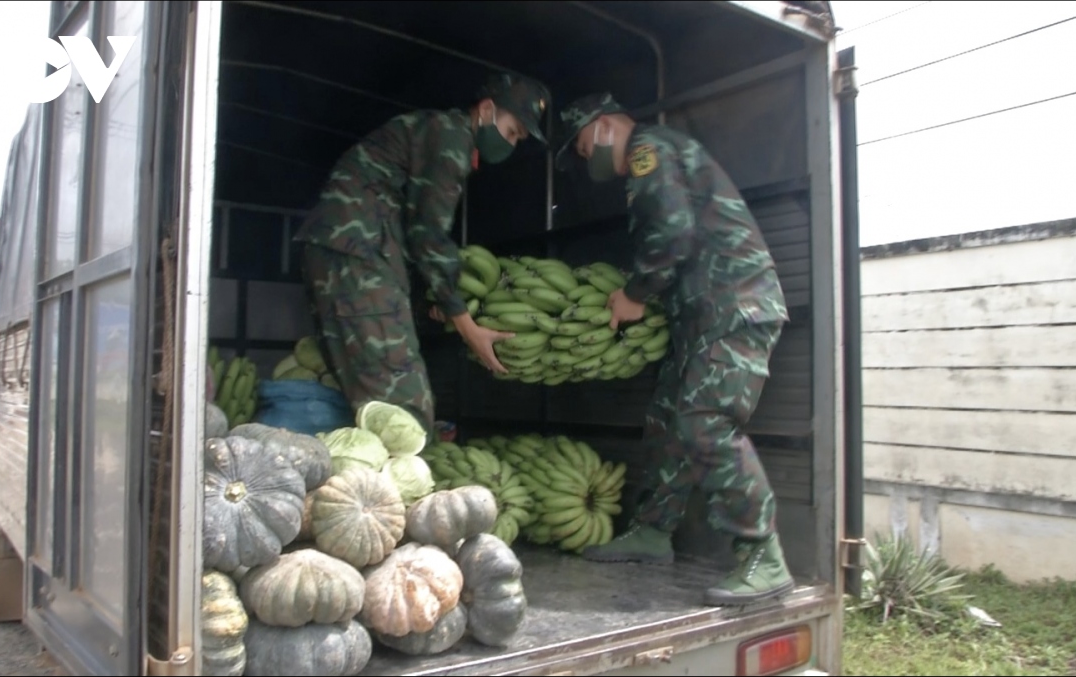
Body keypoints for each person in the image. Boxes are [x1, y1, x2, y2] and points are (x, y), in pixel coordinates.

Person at [553, 92, 795, 607]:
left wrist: (634, 295)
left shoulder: (648, 150)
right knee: (667, 418)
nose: (583, 158)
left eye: (580, 146)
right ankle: (653, 531)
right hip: (702, 316)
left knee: (705, 423)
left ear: (602, 128)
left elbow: (672, 233)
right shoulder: (657, 152)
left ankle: (763, 555)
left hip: (735, 307)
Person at [295, 73, 552, 435]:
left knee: (370, 401)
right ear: (487, 110)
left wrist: (429, 302)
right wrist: (466, 325)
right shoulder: (453, 136)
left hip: (340, 250)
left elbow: (410, 226)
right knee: (405, 408)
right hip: (356, 251)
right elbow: (428, 234)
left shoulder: (432, 130)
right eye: (512, 131)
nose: (511, 143)